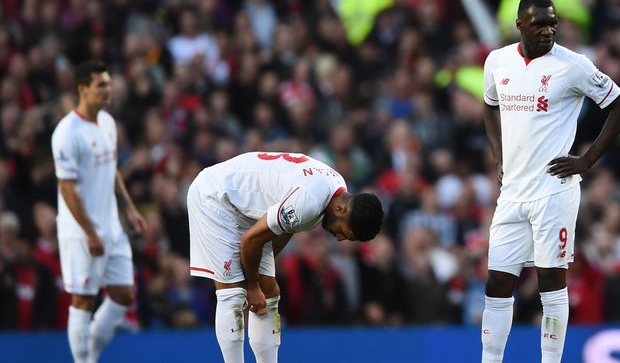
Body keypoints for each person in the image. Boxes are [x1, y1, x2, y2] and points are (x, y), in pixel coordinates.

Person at [481, 0, 620, 363]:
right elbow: (489, 107)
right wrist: (499, 158)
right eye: (539, 24)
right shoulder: (497, 62)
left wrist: (587, 161)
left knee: (551, 281)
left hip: (553, 190)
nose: (548, 30)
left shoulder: (573, 65)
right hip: (513, 193)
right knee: (497, 284)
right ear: (520, 25)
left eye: (553, 22)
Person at [187, 151, 383, 363]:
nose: (340, 238)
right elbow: (250, 240)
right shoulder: (310, 200)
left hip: (243, 207)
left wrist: (260, 279)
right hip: (215, 195)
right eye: (346, 232)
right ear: (341, 208)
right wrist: (252, 286)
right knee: (233, 292)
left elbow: (286, 227)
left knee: (270, 291)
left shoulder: (335, 189)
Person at [51, 60, 147, 363]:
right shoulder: (66, 133)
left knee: (123, 295)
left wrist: (129, 209)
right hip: (81, 231)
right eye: (101, 85)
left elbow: (112, 169)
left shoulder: (107, 122)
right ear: (83, 89)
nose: (109, 89)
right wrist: (90, 232)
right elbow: (67, 188)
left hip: (112, 226)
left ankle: (89, 354)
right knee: (83, 299)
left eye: (108, 83)